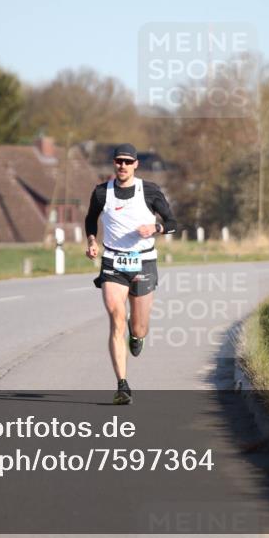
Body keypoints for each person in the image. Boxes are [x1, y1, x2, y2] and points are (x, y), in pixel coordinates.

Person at [84, 143, 177, 405]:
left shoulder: (149, 191)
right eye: (118, 161)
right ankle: (122, 385)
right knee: (116, 317)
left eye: (128, 161)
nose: (122, 166)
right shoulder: (102, 193)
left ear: (136, 164)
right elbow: (90, 219)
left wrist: (156, 228)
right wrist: (92, 240)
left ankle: (136, 337)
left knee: (138, 327)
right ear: (114, 164)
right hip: (113, 261)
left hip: (144, 262)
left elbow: (172, 223)